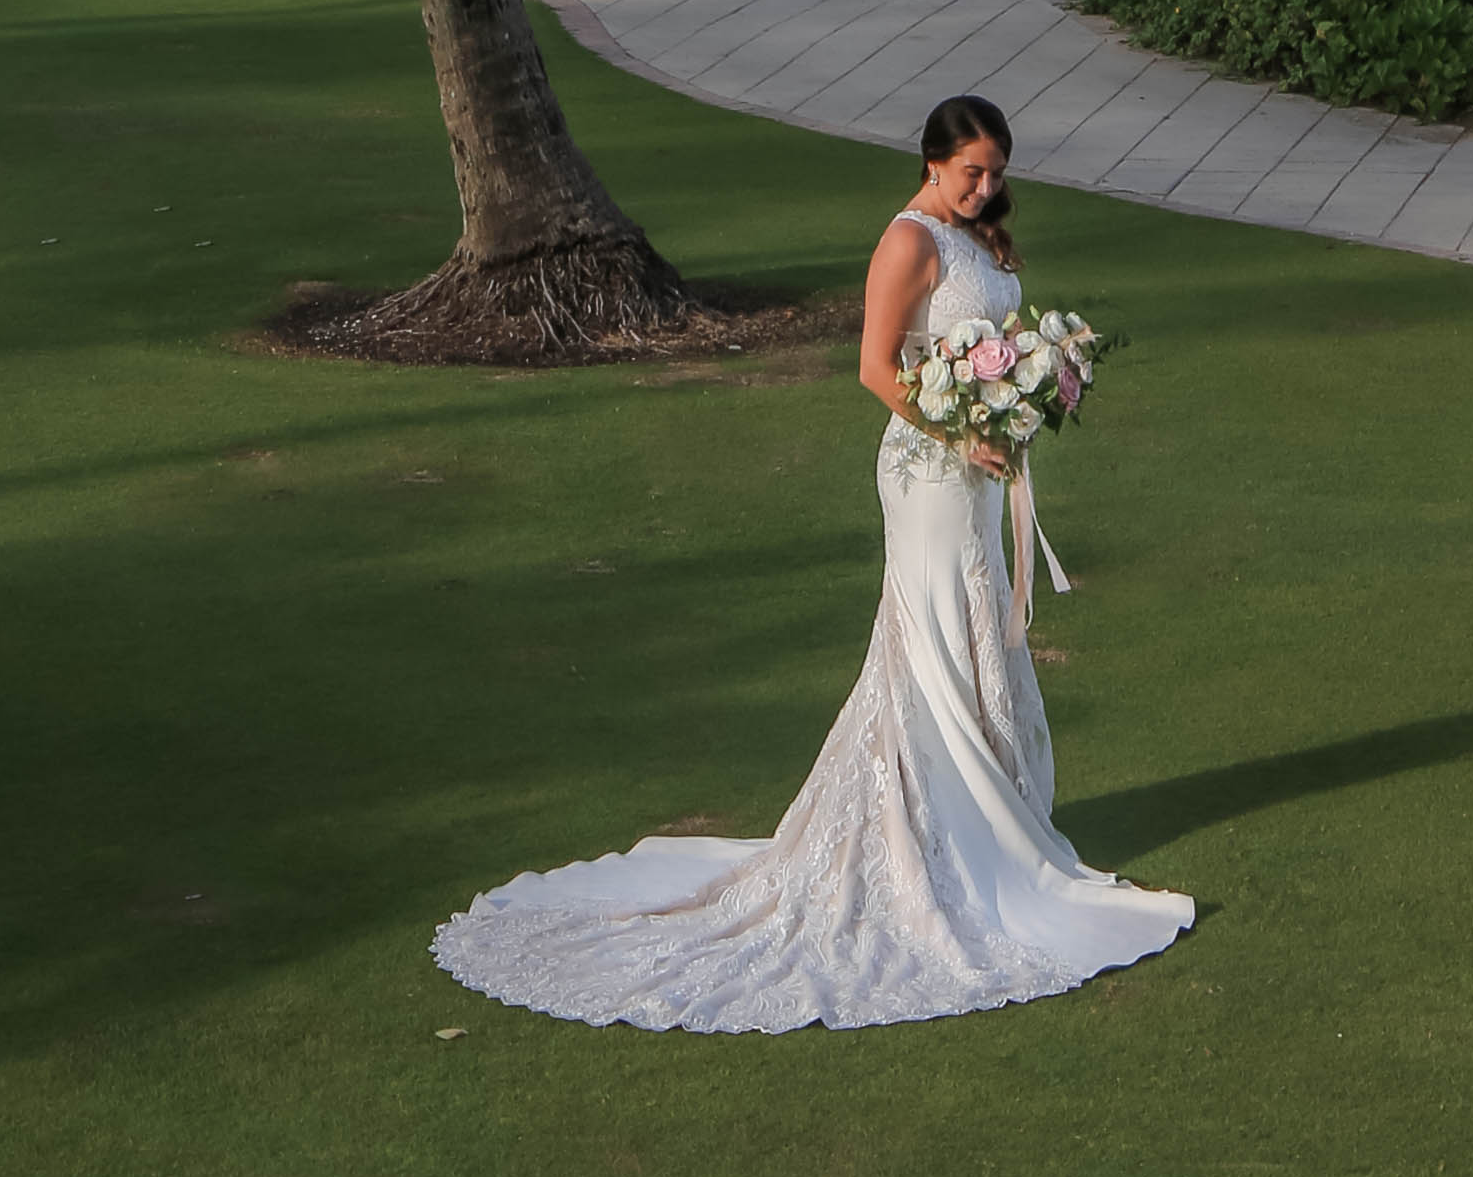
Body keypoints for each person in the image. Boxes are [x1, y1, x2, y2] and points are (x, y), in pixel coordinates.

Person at [432, 94, 1192, 1030]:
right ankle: (936, 828)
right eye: (972, 171)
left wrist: (1025, 391)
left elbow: (980, 348)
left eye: (996, 171)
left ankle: (980, 815)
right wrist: (961, 430)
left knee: (975, 620)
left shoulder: (979, 238)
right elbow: (876, 367)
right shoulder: (908, 240)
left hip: (977, 469)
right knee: (933, 632)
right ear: (932, 162)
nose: (986, 186)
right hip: (928, 472)